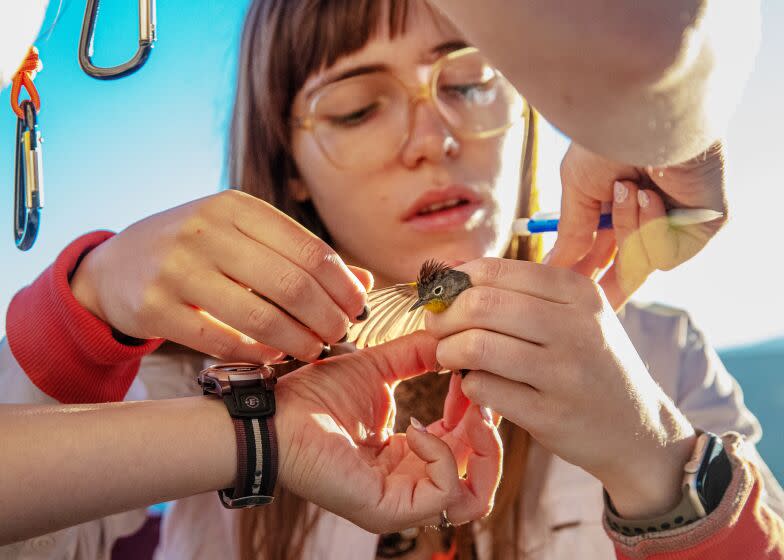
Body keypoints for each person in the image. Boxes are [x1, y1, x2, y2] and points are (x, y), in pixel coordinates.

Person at [1, 0, 781, 559]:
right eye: (357, 108)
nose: (432, 138)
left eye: (471, 83)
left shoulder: (657, 353)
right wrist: (84, 312)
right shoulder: (191, 366)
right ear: (290, 167)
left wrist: (652, 461)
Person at [428, 1, 758, 302]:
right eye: (372, 106)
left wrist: (646, 136)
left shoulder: (674, 346)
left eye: (467, 84)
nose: (430, 141)